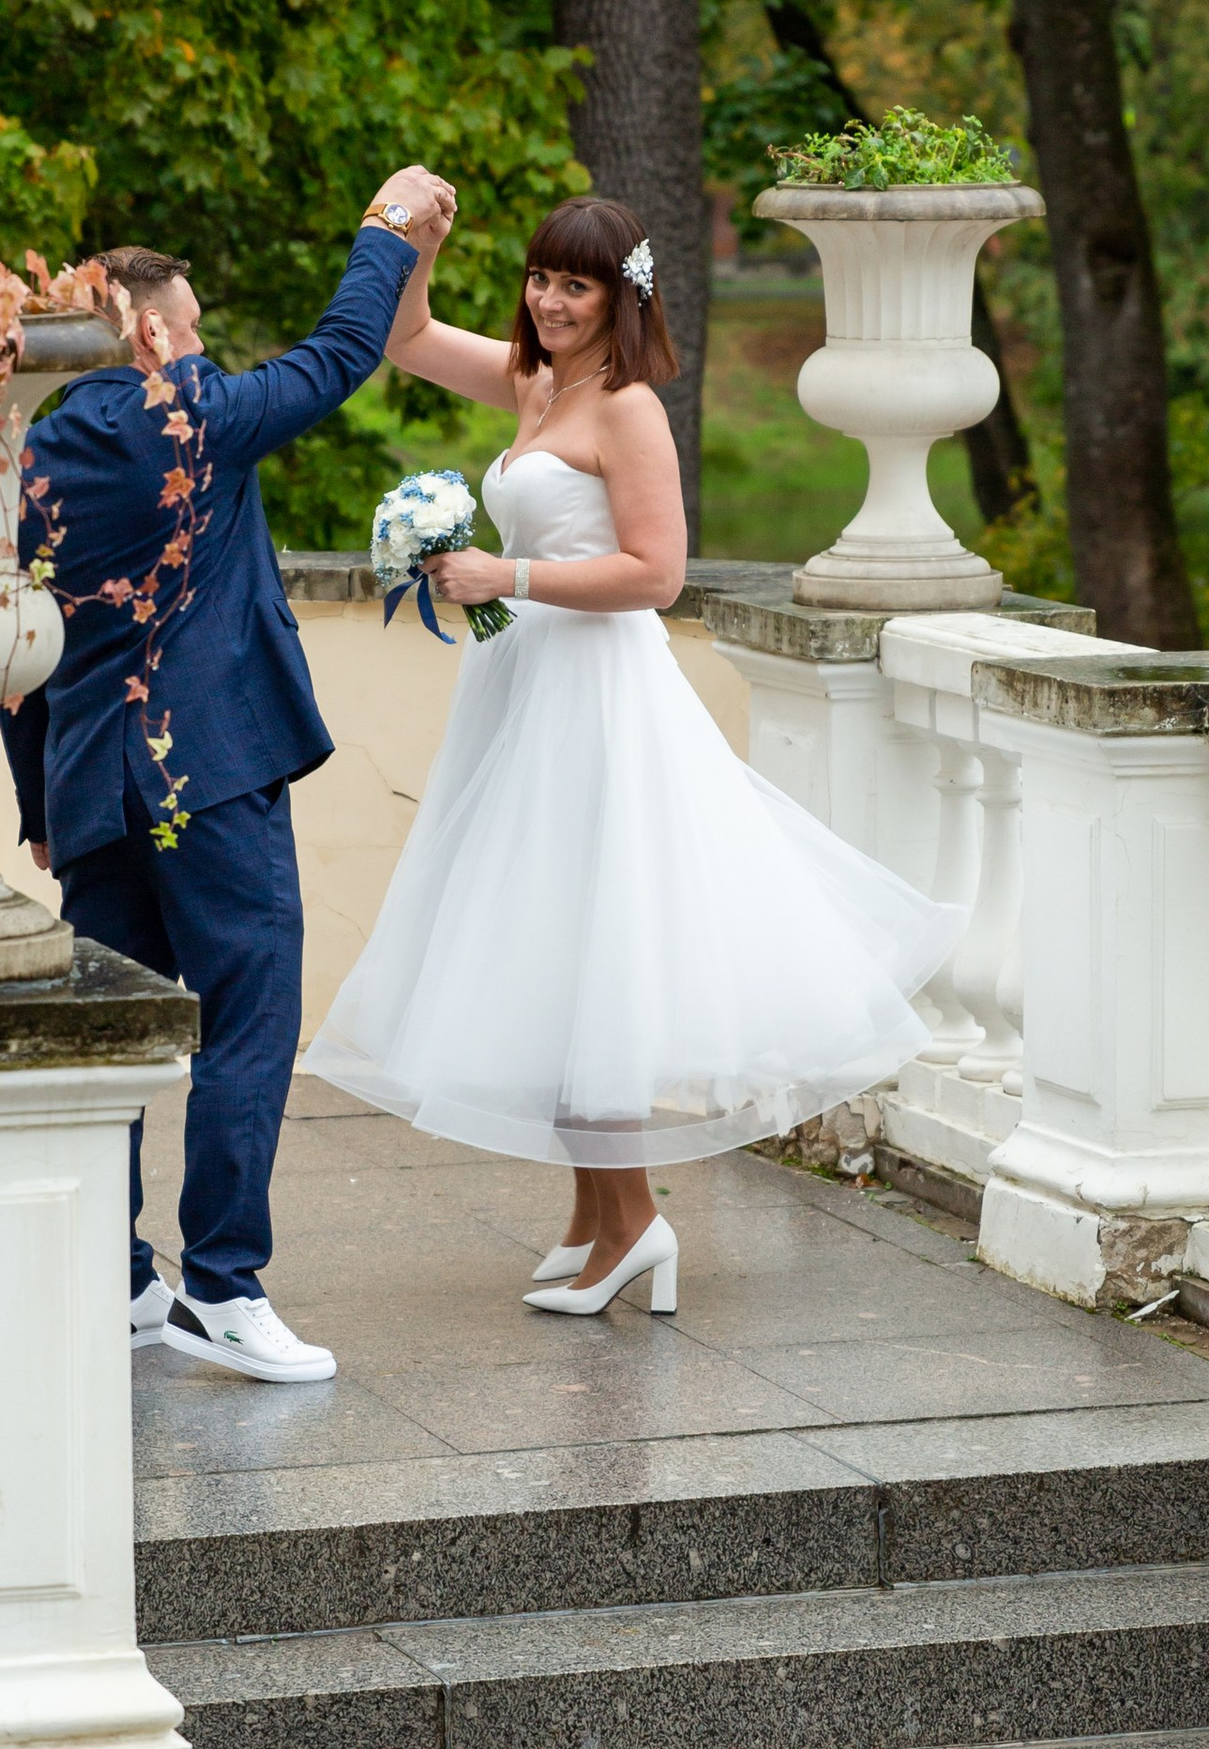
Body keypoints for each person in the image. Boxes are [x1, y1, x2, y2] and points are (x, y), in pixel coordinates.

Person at [303, 193, 959, 1311]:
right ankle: (594, 1212)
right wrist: (418, 252)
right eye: (539, 280)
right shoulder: (537, 381)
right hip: (525, 681)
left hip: (595, 696)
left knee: (580, 942)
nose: (548, 303)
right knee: (543, 937)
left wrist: (503, 575)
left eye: (575, 286)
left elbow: (655, 574)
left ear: (620, 297)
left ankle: (636, 1224)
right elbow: (405, 341)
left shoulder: (627, 408)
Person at [1, 169, 456, 1381]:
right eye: (192, 327)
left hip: (96, 784)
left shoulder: (27, 459)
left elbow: (16, 645)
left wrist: (39, 801)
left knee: (117, 1034)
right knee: (248, 1013)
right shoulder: (187, 410)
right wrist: (388, 231)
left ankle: (120, 1280)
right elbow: (344, 349)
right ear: (149, 333)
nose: (203, 346)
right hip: (210, 767)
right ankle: (223, 1283)